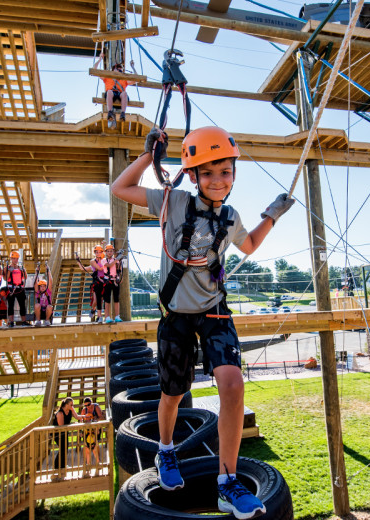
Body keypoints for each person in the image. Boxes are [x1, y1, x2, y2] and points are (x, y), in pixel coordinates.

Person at [111, 125, 294, 519]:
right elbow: (120, 188)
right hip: (176, 313)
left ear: (233, 174)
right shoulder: (172, 202)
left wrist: (271, 215)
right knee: (174, 394)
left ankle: (227, 482)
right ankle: (164, 450)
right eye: (208, 173)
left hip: (214, 310)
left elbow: (248, 244)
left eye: (225, 172)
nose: (217, 180)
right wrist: (149, 157)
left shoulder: (230, 216)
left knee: (232, 384)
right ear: (192, 176)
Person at [51, 397, 83, 481]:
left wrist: (85, 416)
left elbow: (77, 417)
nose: (72, 406)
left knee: (65, 448)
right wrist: (73, 424)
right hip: (58, 433)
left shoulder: (71, 410)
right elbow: (62, 426)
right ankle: (56, 467)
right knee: (62, 448)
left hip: (65, 432)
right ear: (66, 404)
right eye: (71, 405)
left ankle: (62, 466)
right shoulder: (60, 413)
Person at [76, 246, 106, 323]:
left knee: (101, 300)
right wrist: (79, 262)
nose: (98, 253)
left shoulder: (104, 261)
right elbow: (84, 268)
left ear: (102, 253)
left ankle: (99, 316)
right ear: (95, 253)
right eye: (97, 252)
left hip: (104, 282)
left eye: (100, 252)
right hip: (97, 283)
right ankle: (93, 309)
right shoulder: (93, 262)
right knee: (95, 301)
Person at [104, 61, 137, 127]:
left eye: (121, 70)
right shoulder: (108, 77)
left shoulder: (124, 79)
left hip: (120, 95)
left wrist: (133, 67)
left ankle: (123, 113)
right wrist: (99, 59)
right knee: (109, 92)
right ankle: (110, 112)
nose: (120, 71)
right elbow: (95, 70)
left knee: (124, 93)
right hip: (111, 94)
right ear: (114, 70)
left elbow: (136, 80)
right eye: (119, 70)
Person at [80, 397, 105, 466]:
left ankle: (98, 462)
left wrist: (95, 419)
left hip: (95, 429)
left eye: (88, 405)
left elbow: (101, 417)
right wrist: (81, 431)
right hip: (87, 431)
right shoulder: (84, 410)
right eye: (85, 405)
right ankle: (88, 463)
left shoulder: (96, 407)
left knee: (95, 446)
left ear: (91, 402)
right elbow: (81, 421)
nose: (87, 407)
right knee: (87, 447)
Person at [6, 250, 29, 327]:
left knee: (22, 305)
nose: (15, 260)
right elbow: (6, 278)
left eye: (16, 258)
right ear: (11, 259)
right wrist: (10, 270)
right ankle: (11, 322)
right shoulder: (8, 267)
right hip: (11, 289)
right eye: (14, 258)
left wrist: (23, 270)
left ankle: (24, 321)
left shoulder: (20, 268)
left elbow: (25, 277)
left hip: (20, 288)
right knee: (10, 305)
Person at [103, 243, 123, 323]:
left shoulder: (116, 261)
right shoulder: (104, 260)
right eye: (108, 251)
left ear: (113, 252)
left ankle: (117, 316)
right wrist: (117, 259)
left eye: (111, 251)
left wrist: (119, 260)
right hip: (108, 281)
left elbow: (119, 270)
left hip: (115, 280)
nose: (110, 253)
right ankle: (107, 316)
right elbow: (109, 265)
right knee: (107, 300)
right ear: (106, 252)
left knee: (116, 299)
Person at [34, 262, 54, 327]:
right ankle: (38, 320)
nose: (42, 288)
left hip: (47, 310)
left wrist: (48, 271)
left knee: (50, 306)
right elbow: (35, 282)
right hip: (40, 310)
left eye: (44, 286)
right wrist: (37, 272)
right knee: (37, 305)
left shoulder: (48, 292)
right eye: (41, 286)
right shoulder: (38, 292)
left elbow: (50, 281)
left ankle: (47, 320)